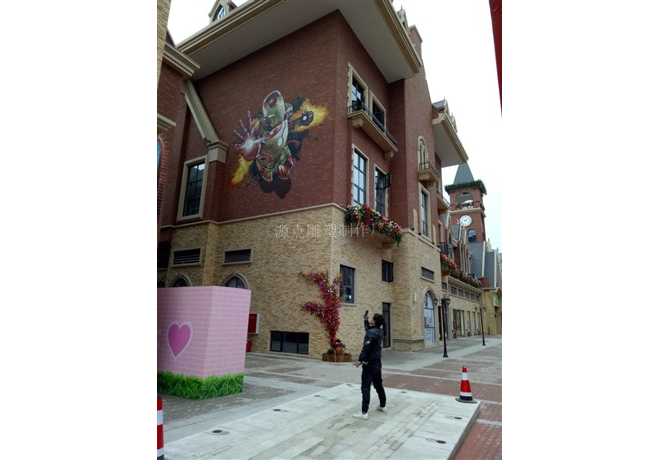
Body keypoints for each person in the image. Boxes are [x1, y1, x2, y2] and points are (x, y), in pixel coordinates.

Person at [353, 312, 387, 420]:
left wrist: (360, 360)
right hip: (377, 363)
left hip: (369, 364)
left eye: (372, 318)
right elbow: (369, 330)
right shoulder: (381, 332)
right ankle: (383, 406)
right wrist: (366, 320)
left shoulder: (371, 333)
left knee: (365, 387)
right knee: (378, 385)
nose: (371, 319)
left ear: (375, 321)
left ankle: (364, 413)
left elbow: (366, 348)